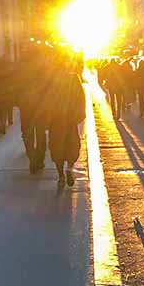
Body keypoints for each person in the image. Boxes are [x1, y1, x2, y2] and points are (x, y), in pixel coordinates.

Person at [49, 56, 86, 188]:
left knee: (56, 147)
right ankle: (69, 168)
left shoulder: (50, 80)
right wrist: (80, 115)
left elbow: (44, 101)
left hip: (55, 120)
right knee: (72, 145)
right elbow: (81, 97)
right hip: (70, 119)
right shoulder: (74, 78)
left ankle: (60, 176)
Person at [16, 45, 50, 174]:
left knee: (27, 133)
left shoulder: (20, 67)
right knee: (41, 133)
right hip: (40, 105)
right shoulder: (43, 66)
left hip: (26, 105)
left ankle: (32, 158)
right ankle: (40, 160)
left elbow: (15, 85)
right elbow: (48, 84)